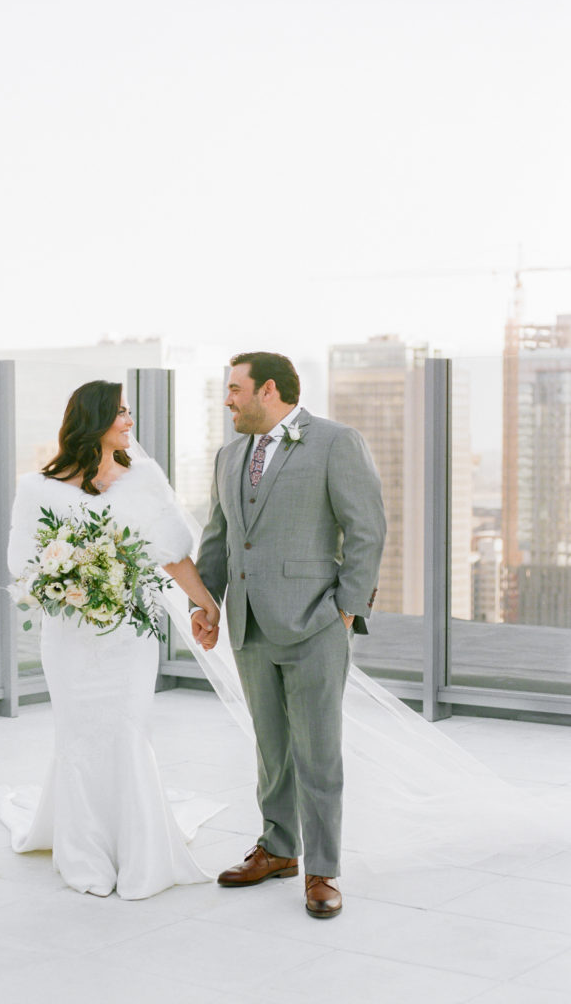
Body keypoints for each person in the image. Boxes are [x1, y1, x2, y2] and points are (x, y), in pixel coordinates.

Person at [0, 379, 223, 900]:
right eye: (120, 412)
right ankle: (84, 853)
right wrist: (69, 582)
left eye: (129, 411)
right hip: (70, 639)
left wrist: (204, 603)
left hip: (127, 637)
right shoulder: (36, 489)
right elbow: (22, 568)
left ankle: (139, 849)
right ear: (93, 420)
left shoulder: (143, 479)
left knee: (126, 730)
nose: (129, 421)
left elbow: (172, 555)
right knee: (78, 734)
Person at [191, 351, 386, 919]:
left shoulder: (334, 442)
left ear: (268, 390)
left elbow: (366, 530)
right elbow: (219, 536)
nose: (226, 399)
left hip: (316, 625)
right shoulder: (230, 455)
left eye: (234, 389)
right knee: (271, 748)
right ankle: (278, 848)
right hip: (248, 626)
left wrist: (346, 611)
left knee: (317, 752)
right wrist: (206, 602)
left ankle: (322, 869)